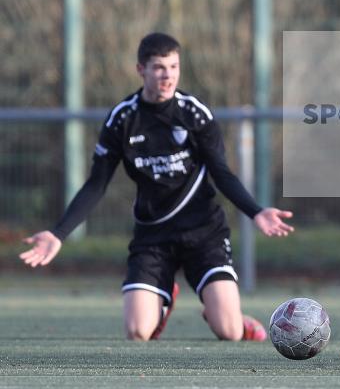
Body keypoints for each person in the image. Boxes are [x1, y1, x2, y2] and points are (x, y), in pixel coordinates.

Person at [19, 32, 295, 341]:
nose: (167, 75)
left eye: (174, 67)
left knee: (229, 331)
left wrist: (255, 212)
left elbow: (222, 173)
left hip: (203, 233)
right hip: (154, 237)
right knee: (138, 331)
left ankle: (233, 318)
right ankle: (162, 302)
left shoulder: (194, 114)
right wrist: (59, 234)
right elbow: (97, 184)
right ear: (141, 70)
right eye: (159, 67)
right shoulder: (122, 119)